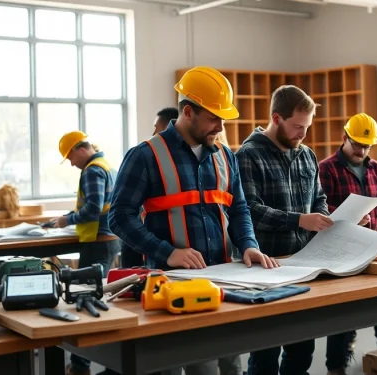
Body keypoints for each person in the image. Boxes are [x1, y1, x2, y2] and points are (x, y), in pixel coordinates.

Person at [108, 66, 278, 375]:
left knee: (230, 364)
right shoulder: (145, 156)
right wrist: (167, 252)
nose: (221, 126)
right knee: (189, 367)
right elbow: (119, 217)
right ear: (188, 112)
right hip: (172, 287)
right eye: (214, 118)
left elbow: (238, 208)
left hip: (225, 284)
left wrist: (249, 245)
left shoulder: (226, 156)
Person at [236, 85, 331, 375]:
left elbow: (319, 199)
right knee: (265, 355)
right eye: (297, 127)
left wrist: (327, 220)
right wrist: (299, 220)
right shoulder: (248, 155)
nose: (303, 134)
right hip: (265, 269)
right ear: (276, 119)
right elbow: (248, 209)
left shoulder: (306, 155)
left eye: (307, 127)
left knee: (302, 353)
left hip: (305, 266)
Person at [319, 113, 377, 375]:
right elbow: (321, 206)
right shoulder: (326, 168)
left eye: (366, 146)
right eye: (357, 145)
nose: (361, 151)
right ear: (345, 138)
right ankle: (335, 365)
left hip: (372, 245)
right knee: (342, 309)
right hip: (341, 248)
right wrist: (351, 218)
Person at [54, 131, 121, 375]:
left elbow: (93, 208)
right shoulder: (106, 165)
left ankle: (80, 366)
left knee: (84, 299)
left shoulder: (92, 169)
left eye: (70, 157)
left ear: (79, 149)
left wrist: (66, 220)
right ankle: (100, 364)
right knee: (97, 296)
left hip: (97, 241)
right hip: (106, 239)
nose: (71, 163)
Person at [119, 107, 182, 270]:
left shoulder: (219, 156)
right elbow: (121, 214)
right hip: (152, 250)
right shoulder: (144, 155)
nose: (154, 132)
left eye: (157, 126)